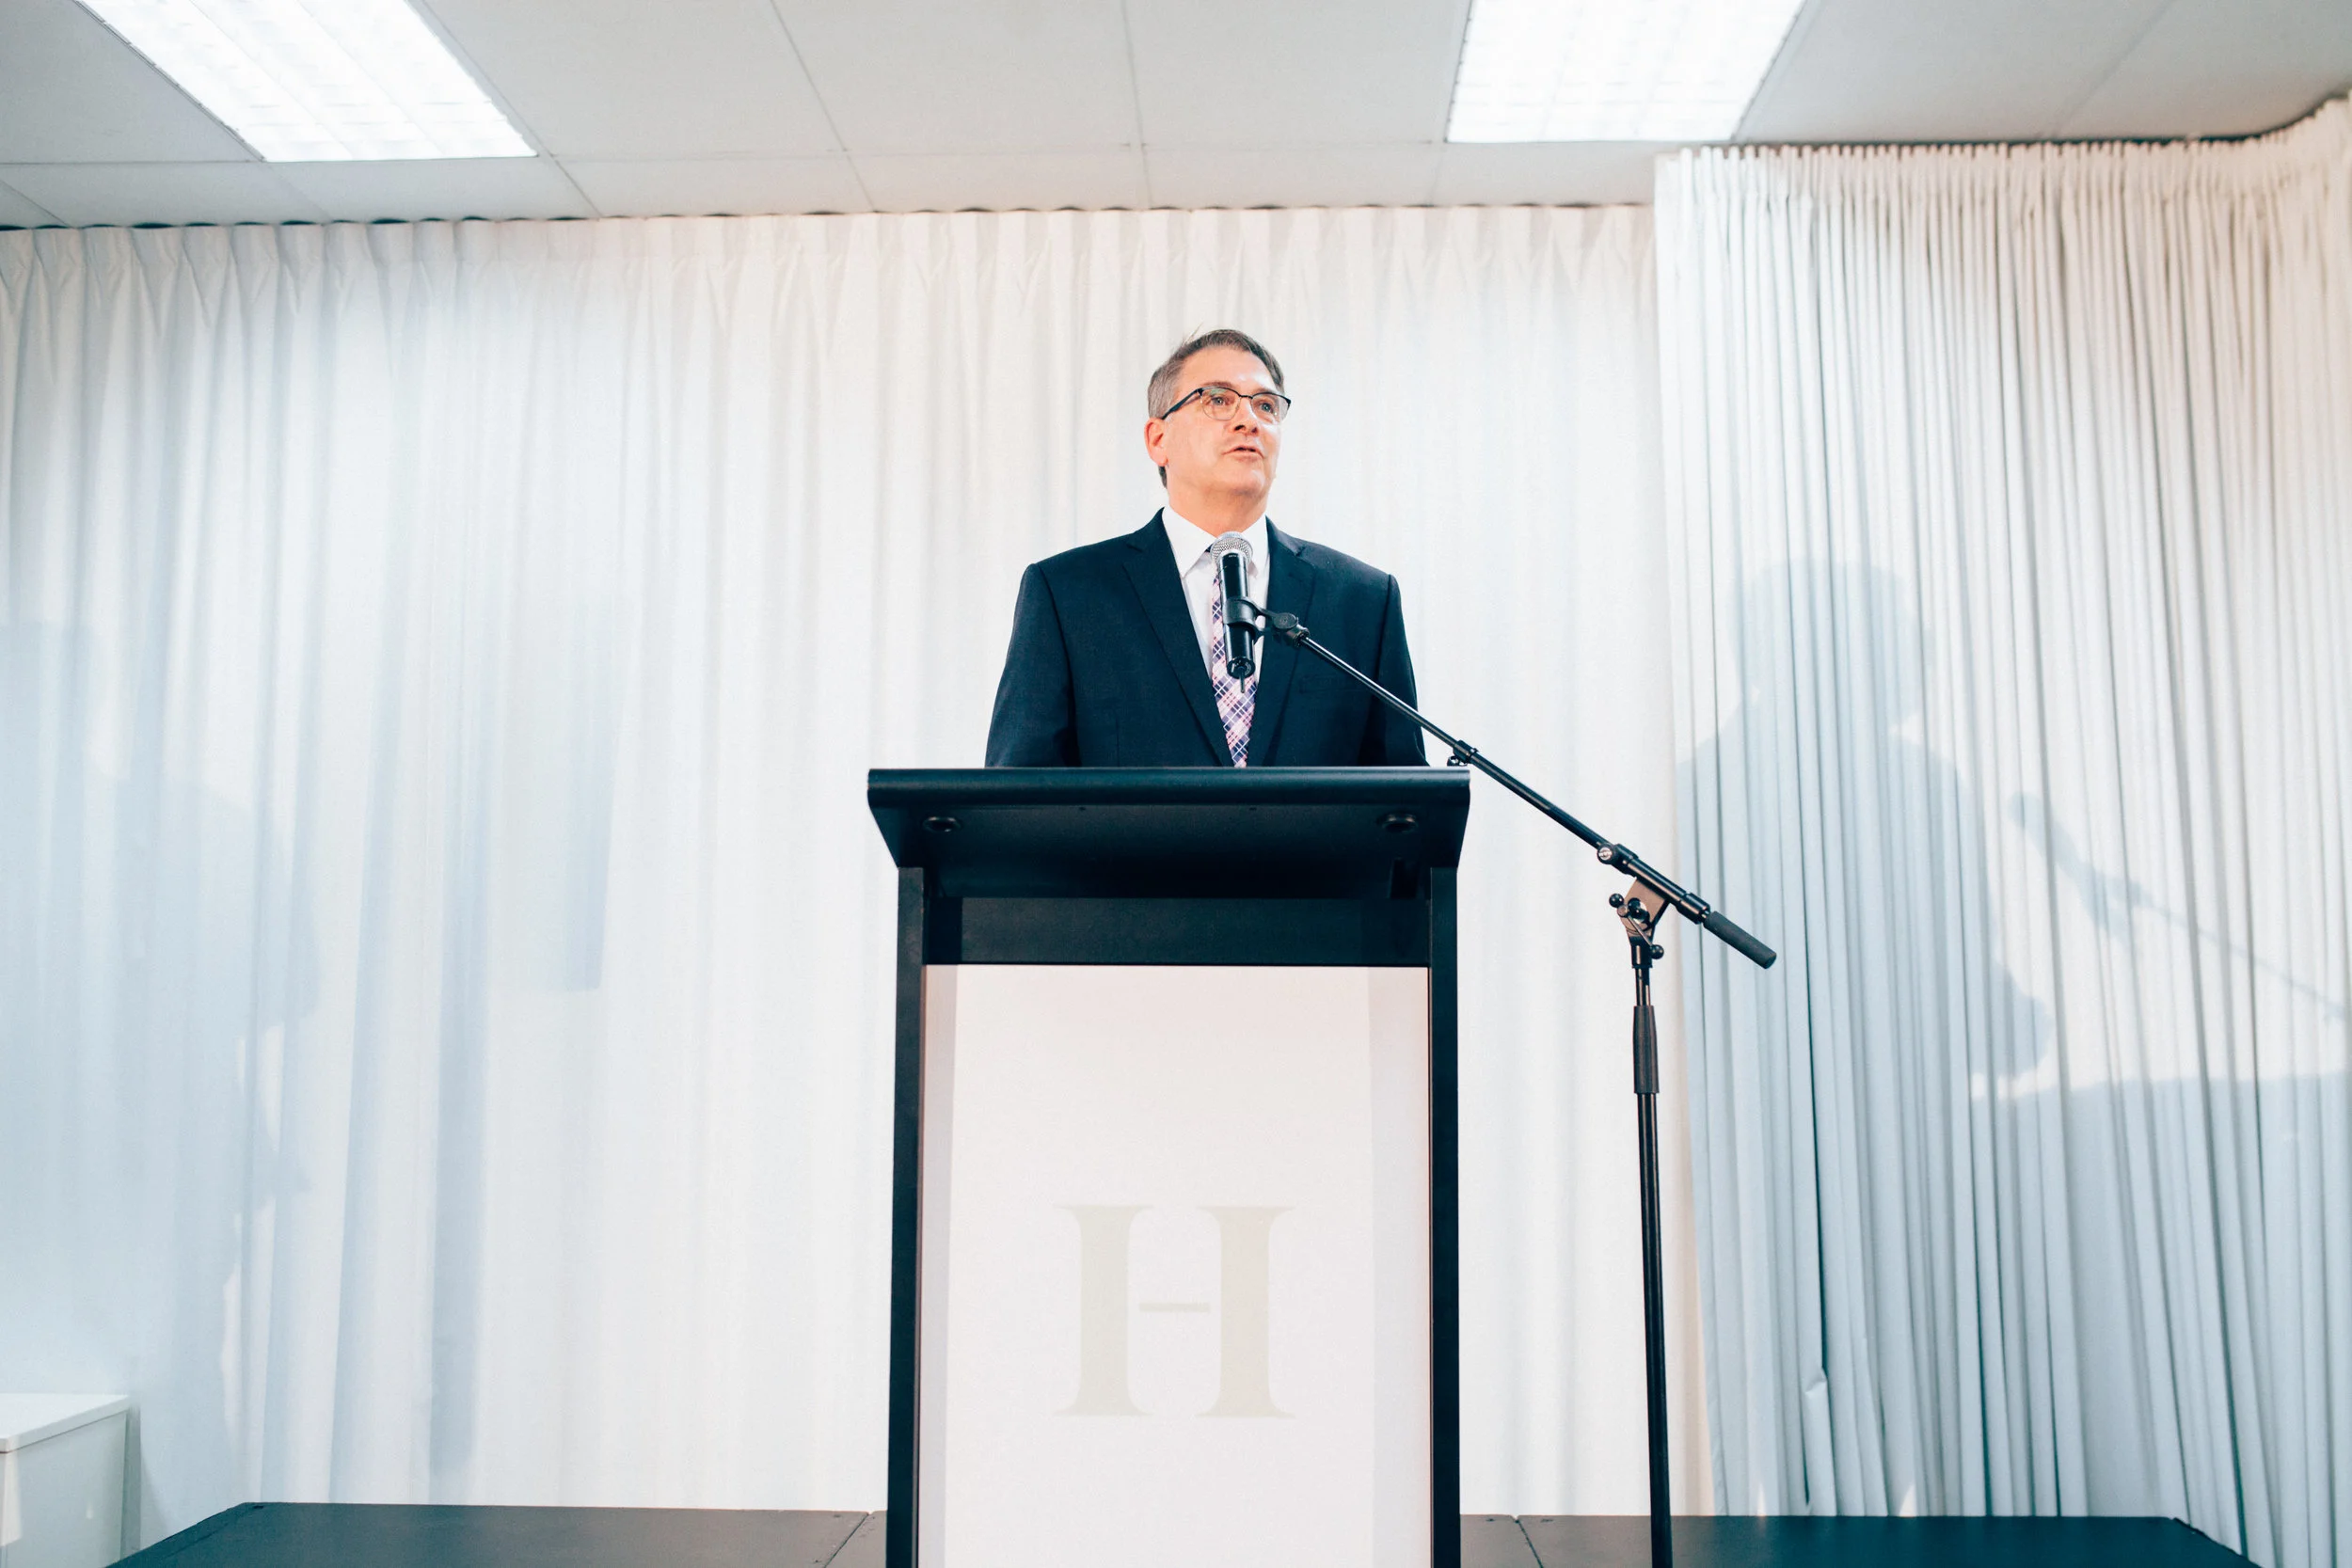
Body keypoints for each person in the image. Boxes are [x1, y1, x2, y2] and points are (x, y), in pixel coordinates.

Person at [984, 328, 1425, 768]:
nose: (1249, 420)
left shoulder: (1362, 599)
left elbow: (1403, 794)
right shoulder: (1068, 593)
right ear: (1158, 440)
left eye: (1266, 405)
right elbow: (1020, 791)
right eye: (1218, 399)